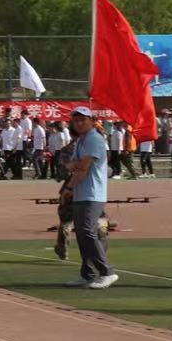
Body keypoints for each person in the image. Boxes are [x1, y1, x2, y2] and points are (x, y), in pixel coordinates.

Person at [63, 106, 120, 288]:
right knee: (82, 234)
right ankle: (88, 274)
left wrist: (69, 186)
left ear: (91, 120)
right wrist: (74, 171)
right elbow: (73, 164)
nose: (79, 123)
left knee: (87, 231)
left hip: (93, 193)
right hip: (82, 193)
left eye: (83, 119)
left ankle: (106, 272)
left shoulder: (94, 139)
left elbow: (82, 167)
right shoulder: (82, 140)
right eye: (76, 120)